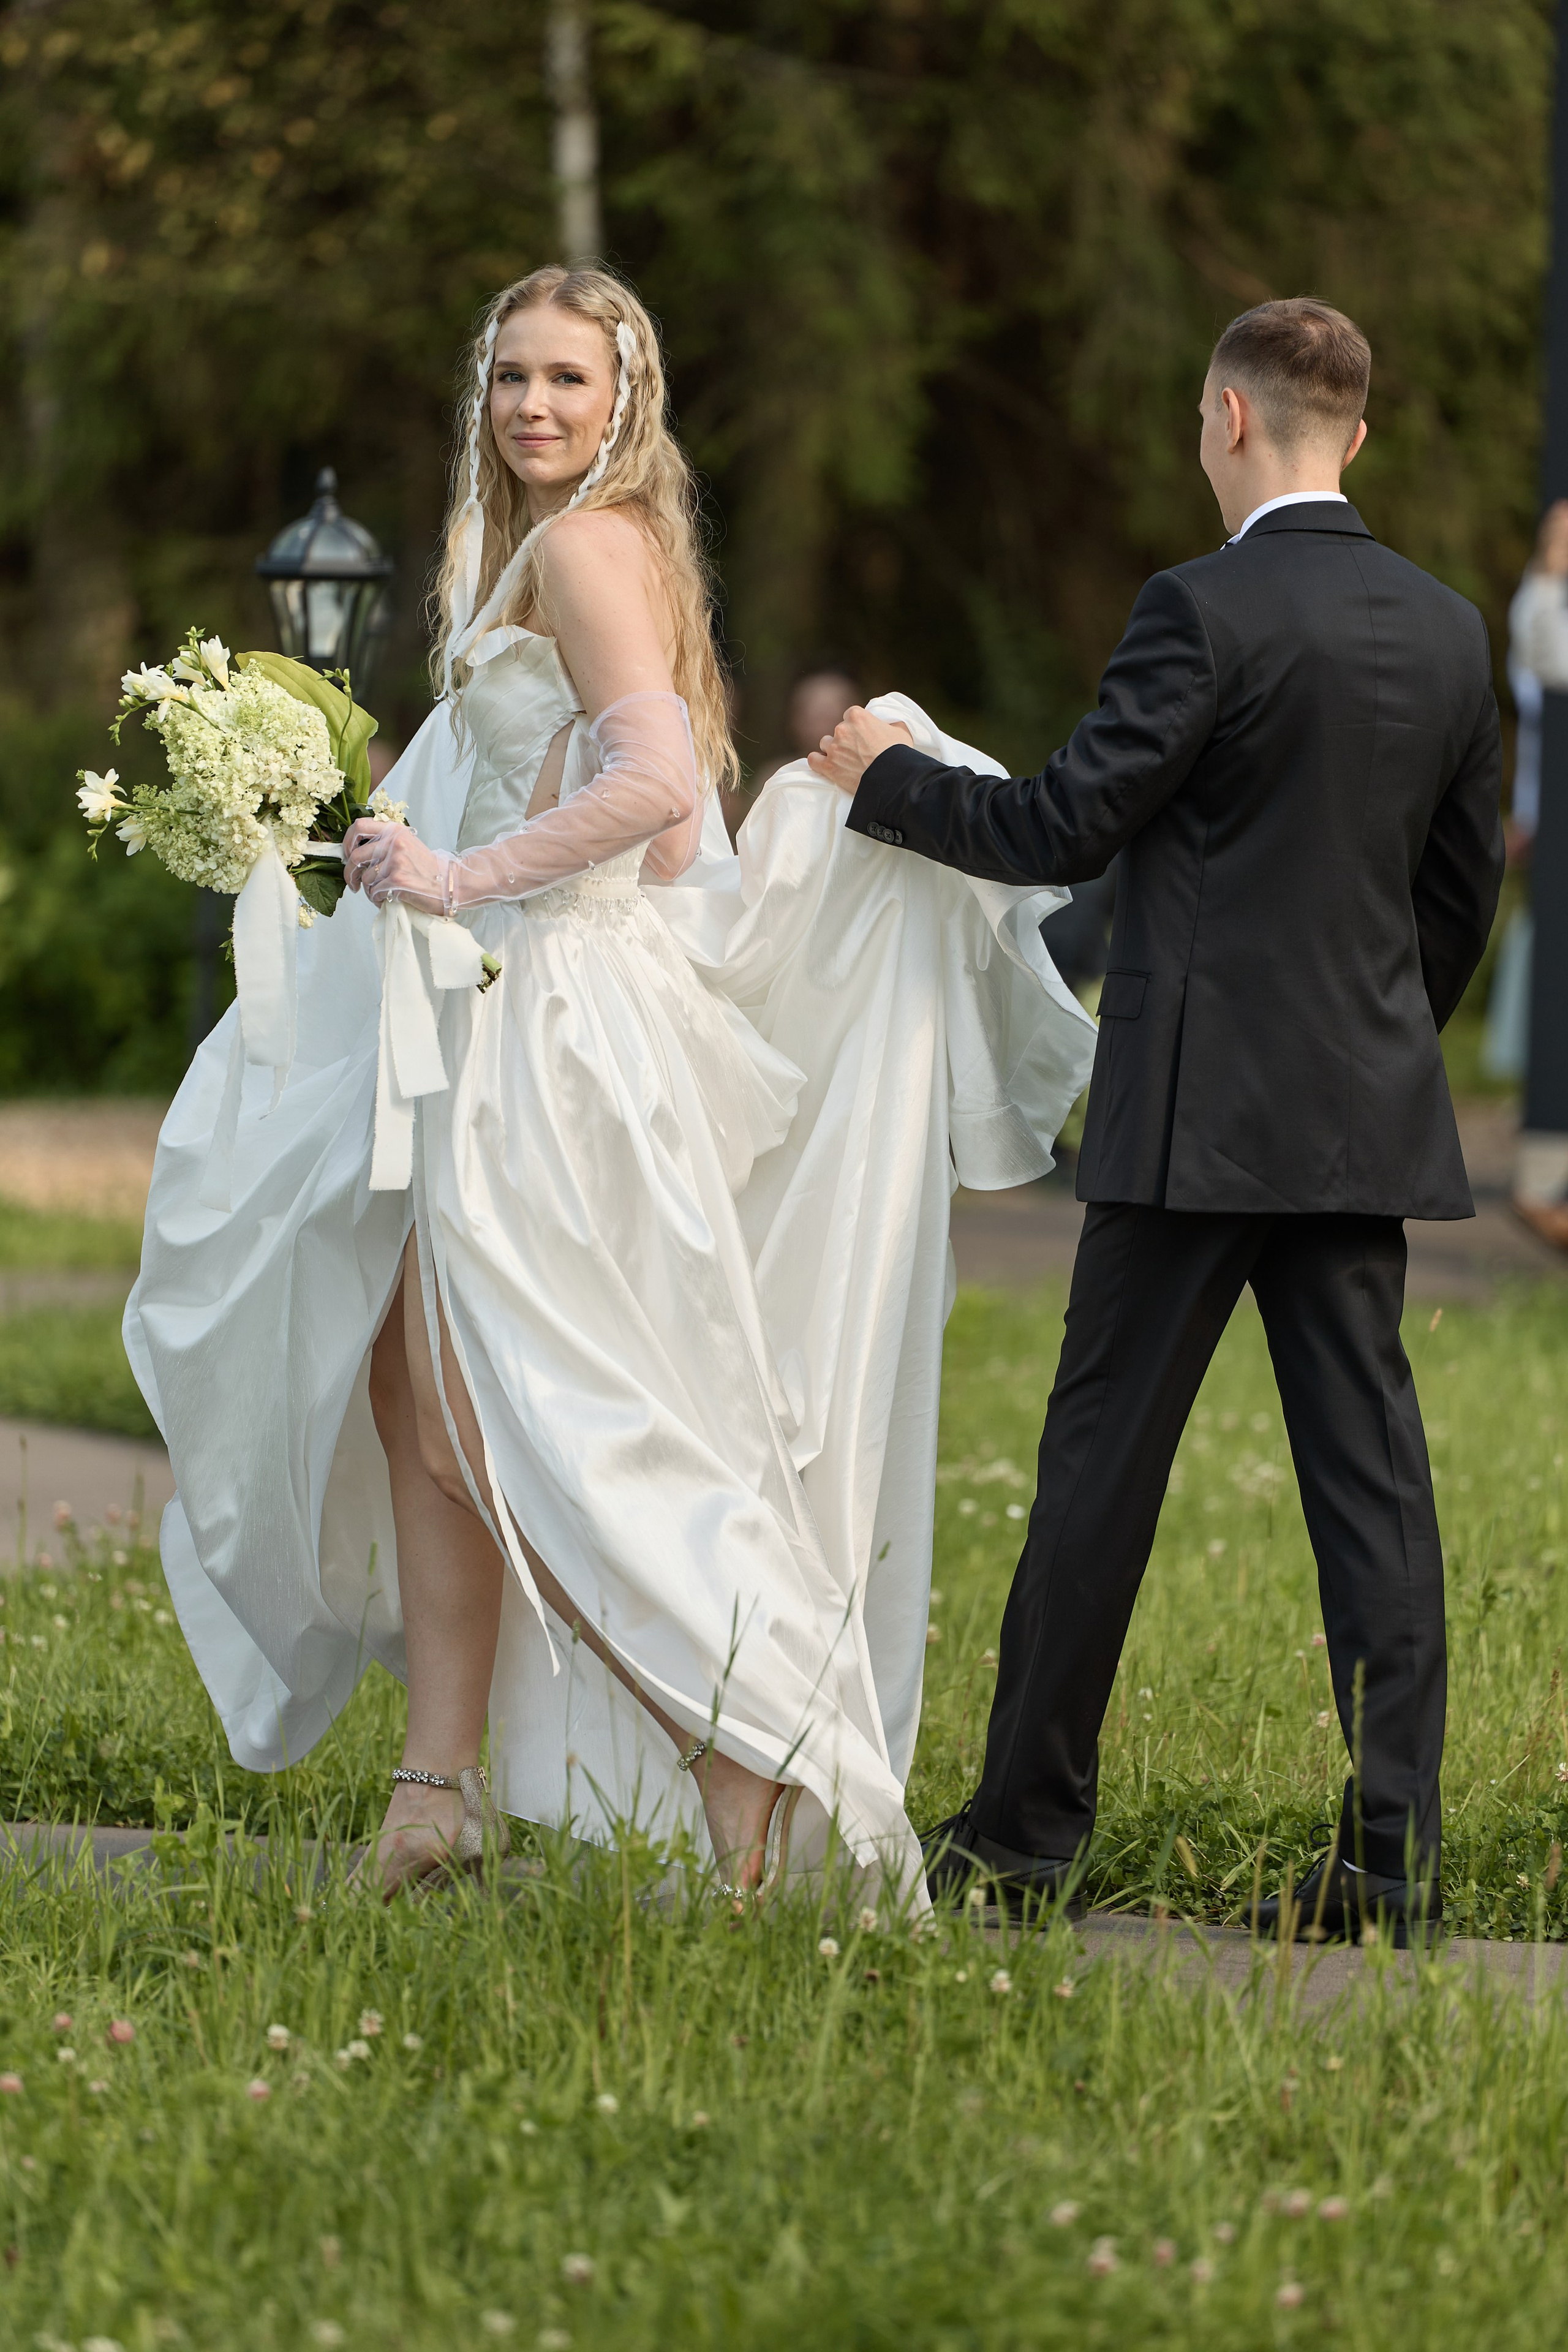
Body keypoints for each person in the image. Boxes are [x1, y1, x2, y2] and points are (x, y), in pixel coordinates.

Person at [125, 265, 1095, 1902]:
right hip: (515, 999)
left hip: (549, 1027)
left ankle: (747, 1783)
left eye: (568, 378)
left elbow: (651, 788)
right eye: (511, 375)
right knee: (415, 1396)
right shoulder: (571, 546)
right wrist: (344, 820)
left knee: (515, 1423)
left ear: (623, 397)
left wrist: (458, 878)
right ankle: (435, 1793)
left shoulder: (583, 547)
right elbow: (628, 804)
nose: (533, 405)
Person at [813, 298, 1504, 1945]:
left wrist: (885, 780)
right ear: (1357, 435)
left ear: (1227, 417)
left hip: (1192, 1123)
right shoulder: (1449, 629)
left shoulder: (1201, 607)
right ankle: (1391, 1869)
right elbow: (1460, 895)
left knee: (1099, 1480)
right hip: (1355, 1124)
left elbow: (1066, 824)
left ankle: (1022, 1843)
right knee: (1375, 1493)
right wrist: (1371, 1044)